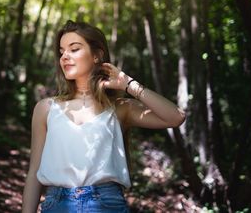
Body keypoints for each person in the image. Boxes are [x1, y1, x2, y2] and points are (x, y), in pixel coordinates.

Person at [22, 20, 186, 213]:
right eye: (61, 51)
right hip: (57, 204)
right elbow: (34, 173)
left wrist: (128, 84)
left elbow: (176, 117)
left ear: (97, 55)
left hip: (107, 204)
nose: (65, 56)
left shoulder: (119, 108)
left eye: (74, 49)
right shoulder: (46, 108)